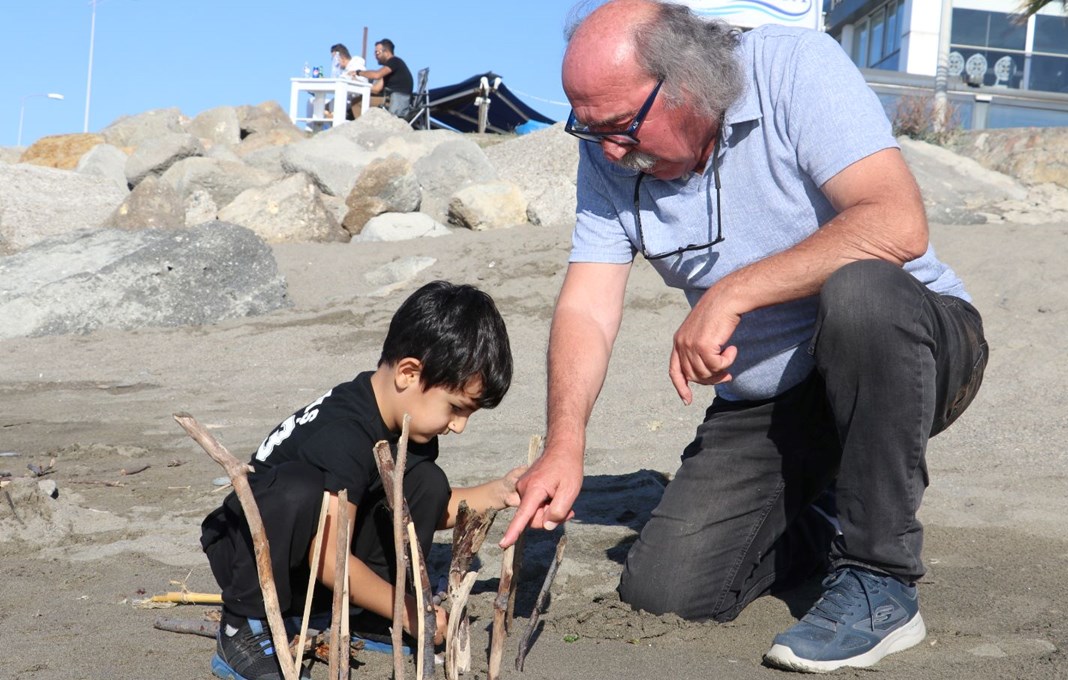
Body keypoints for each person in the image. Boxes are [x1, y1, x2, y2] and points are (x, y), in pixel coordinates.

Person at [499, 0, 988, 674]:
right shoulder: (609, 153)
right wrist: (564, 444)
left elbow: (896, 224)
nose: (611, 149)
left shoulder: (795, 68)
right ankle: (808, 520)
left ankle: (881, 580)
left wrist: (735, 290)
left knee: (860, 292)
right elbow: (587, 304)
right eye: (589, 128)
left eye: (620, 127)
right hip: (773, 398)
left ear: (688, 84)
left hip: (912, 348)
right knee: (665, 591)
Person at [201, 281, 522, 680]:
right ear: (409, 372)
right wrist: (409, 609)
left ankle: (367, 616)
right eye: (457, 409)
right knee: (300, 488)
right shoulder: (344, 433)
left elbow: (430, 506)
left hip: (318, 562)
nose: (459, 426)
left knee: (426, 481)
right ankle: (242, 628)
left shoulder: (408, 426)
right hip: (254, 554)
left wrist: (498, 493)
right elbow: (330, 557)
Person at [352, 38, 414, 118]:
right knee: (360, 99)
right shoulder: (389, 68)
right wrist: (356, 82)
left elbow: (376, 75)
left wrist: (358, 72)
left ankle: (362, 128)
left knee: (357, 102)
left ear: (387, 52)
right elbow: (376, 89)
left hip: (395, 101)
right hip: (391, 99)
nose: (375, 56)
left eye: (377, 52)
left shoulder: (394, 61)